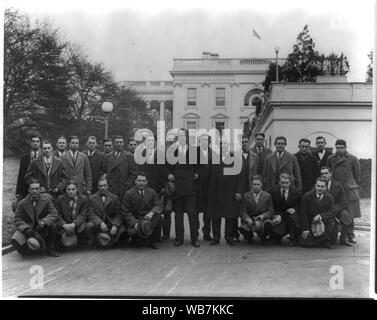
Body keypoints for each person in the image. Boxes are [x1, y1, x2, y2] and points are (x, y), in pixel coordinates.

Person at [206, 137, 243, 246]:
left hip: (230, 192)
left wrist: (238, 192)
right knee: (215, 216)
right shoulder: (213, 158)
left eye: (225, 144)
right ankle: (216, 237)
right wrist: (208, 191)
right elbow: (208, 175)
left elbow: (240, 177)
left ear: (229, 146)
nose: (223, 146)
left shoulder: (235, 159)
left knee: (229, 216)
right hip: (216, 192)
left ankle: (229, 236)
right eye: (221, 144)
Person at [166, 128, 200, 247]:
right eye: (179, 136)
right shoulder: (171, 151)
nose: (181, 138)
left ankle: (194, 239)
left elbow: (202, 166)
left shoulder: (195, 151)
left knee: (192, 215)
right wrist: (168, 174)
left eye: (183, 136)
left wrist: (198, 174)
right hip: (177, 188)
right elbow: (166, 167)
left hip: (190, 188)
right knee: (178, 215)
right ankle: (179, 238)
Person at [12, 179, 60, 257]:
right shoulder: (22, 203)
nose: (34, 191)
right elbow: (17, 219)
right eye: (32, 189)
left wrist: (44, 222)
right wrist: (26, 228)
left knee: (54, 226)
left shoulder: (46, 200)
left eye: (36, 189)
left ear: (40, 189)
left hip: (42, 227)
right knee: (15, 240)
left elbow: (54, 213)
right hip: (29, 228)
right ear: (28, 190)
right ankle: (28, 249)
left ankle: (50, 248)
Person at [326, 139, 361, 244]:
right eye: (337, 147)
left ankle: (351, 235)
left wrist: (350, 185)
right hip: (336, 189)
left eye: (342, 147)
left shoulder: (353, 159)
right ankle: (335, 234)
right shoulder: (331, 158)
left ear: (346, 147)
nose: (339, 150)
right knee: (337, 210)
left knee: (350, 213)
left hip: (348, 190)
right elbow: (328, 172)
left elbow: (357, 176)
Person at [121, 172, 163, 249]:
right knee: (132, 232)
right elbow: (125, 211)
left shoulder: (152, 192)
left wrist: (152, 212)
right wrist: (134, 223)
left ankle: (153, 241)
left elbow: (159, 205)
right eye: (139, 180)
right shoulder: (129, 193)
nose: (141, 183)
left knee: (158, 218)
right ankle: (136, 239)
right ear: (135, 181)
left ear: (147, 182)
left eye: (143, 181)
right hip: (136, 219)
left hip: (148, 219)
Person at [86, 178, 125, 248]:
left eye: (104, 185)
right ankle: (95, 242)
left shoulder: (114, 197)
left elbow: (119, 214)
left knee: (122, 228)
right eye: (100, 186)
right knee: (89, 225)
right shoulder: (92, 198)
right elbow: (91, 214)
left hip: (110, 223)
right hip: (98, 224)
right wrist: (100, 222)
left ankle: (112, 241)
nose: (102, 188)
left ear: (108, 186)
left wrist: (115, 225)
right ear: (98, 187)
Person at [320, 166, 353, 246]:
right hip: (324, 210)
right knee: (332, 240)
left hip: (336, 208)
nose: (324, 175)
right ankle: (325, 238)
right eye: (322, 174)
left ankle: (343, 238)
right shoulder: (319, 185)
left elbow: (343, 201)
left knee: (345, 215)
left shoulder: (338, 185)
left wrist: (334, 210)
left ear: (330, 174)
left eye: (326, 173)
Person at [299, 177, 336, 248]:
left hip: (322, 224)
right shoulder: (307, 196)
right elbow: (303, 213)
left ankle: (324, 240)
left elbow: (332, 212)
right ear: (315, 186)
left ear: (326, 187)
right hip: (310, 223)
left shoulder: (329, 198)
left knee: (332, 222)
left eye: (322, 186)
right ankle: (320, 241)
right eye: (318, 186)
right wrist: (306, 229)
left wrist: (321, 216)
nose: (319, 188)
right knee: (305, 243)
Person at [55, 180, 90, 249]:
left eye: (73, 189)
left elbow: (83, 214)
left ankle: (82, 241)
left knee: (87, 226)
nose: (71, 191)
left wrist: (74, 224)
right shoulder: (60, 199)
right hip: (65, 223)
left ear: (77, 189)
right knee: (54, 226)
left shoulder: (83, 198)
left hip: (77, 223)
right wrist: (64, 224)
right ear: (66, 190)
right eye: (69, 189)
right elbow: (57, 214)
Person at [238, 175, 275, 243]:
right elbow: (242, 211)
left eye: (258, 184)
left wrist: (263, 216)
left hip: (262, 220)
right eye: (254, 184)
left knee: (269, 225)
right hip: (250, 220)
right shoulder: (246, 195)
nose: (256, 186)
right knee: (243, 229)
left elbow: (271, 211)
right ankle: (249, 236)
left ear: (261, 185)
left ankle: (263, 236)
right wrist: (247, 219)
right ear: (251, 185)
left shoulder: (267, 196)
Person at [269, 173, 302, 246]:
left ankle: (292, 238)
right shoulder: (273, 191)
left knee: (294, 217)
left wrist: (294, 209)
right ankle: (276, 236)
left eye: (286, 183)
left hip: (289, 214)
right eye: (282, 182)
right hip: (278, 214)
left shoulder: (296, 192)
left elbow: (301, 205)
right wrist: (275, 214)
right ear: (279, 182)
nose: (284, 185)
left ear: (290, 183)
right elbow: (271, 205)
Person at [103, 135, 138, 201]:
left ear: (123, 144)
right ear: (113, 144)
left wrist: (127, 185)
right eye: (116, 142)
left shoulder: (129, 156)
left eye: (120, 142)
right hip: (111, 187)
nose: (118, 144)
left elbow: (134, 173)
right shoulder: (108, 156)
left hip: (123, 188)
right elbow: (104, 171)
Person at [195, 134, 213, 241]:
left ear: (209, 142)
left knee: (208, 212)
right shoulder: (194, 153)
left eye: (207, 140)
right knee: (195, 211)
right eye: (202, 140)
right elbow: (192, 167)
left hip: (209, 186)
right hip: (197, 186)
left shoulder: (213, 154)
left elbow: (214, 171)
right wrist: (197, 174)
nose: (205, 142)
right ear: (199, 142)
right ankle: (195, 233)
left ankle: (206, 233)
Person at [16, 134, 41, 200]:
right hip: (26, 188)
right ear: (30, 143)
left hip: (40, 188)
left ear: (40, 143)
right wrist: (18, 192)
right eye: (33, 141)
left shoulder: (43, 157)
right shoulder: (24, 158)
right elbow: (21, 175)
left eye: (37, 141)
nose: (35, 143)